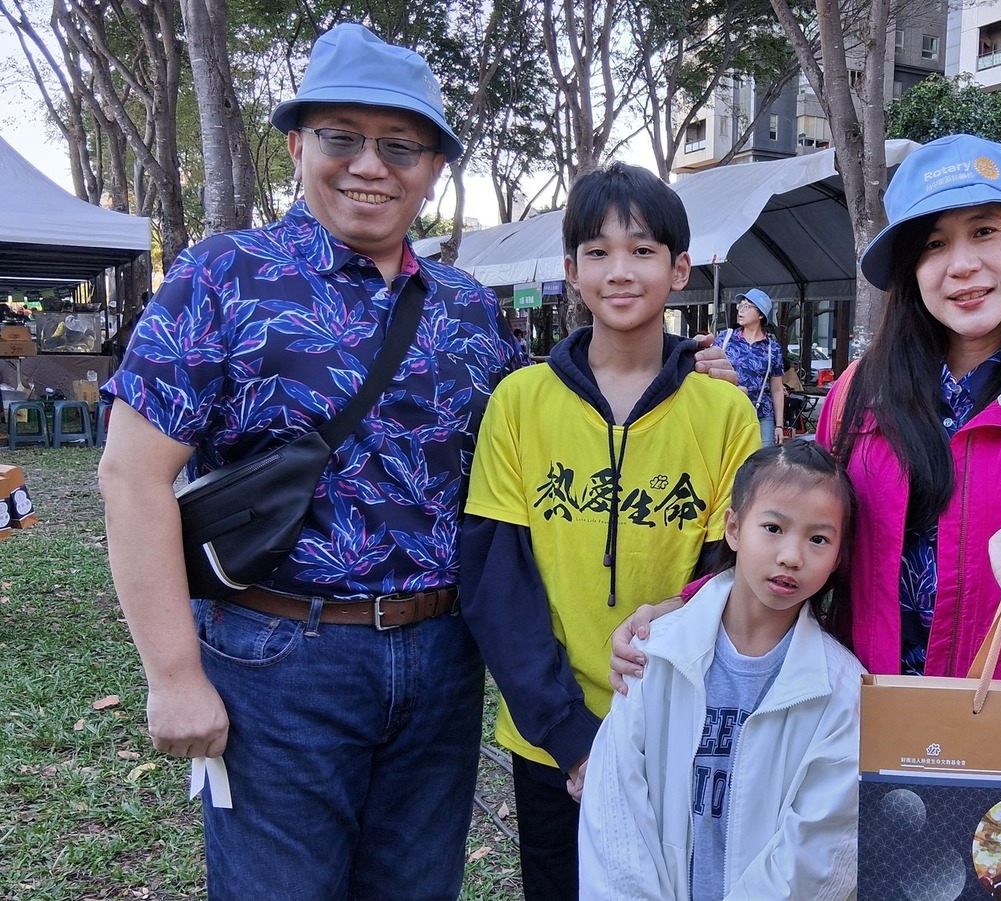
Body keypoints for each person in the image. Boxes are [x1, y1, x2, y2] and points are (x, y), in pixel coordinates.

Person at [97, 24, 524, 899]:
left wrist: (678, 371)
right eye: (342, 137)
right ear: (297, 146)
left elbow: (542, 435)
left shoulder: (468, 307)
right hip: (280, 657)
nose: (370, 165)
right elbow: (131, 473)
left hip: (443, 657)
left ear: (433, 168)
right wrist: (173, 676)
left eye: (400, 146)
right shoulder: (223, 276)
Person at [612, 133, 1001, 688]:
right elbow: (805, 534)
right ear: (910, 270)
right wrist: (687, 605)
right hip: (857, 709)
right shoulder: (858, 396)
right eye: (934, 244)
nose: (962, 265)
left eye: (985, 231)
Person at [458, 161, 761, 901]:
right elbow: (498, 580)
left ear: (680, 268)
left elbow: (734, 575)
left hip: (679, 731)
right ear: (571, 271)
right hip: (548, 735)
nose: (619, 270)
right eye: (597, 251)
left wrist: (673, 627)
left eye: (642, 250)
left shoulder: (725, 412)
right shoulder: (519, 402)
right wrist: (570, 738)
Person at [578, 441, 862, 900]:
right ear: (733, 528)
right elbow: (616, 815)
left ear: (838, 556)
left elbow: (818, 853)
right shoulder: (656, 654)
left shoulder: (843, 689)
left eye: (818, 539)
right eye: (773, 528)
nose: (791, 556)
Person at [717, 288, 786, 446]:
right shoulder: (725, 339)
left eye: (747, 306)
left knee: (763, 458)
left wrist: (779, 425)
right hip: (728, 411)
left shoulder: (772, 348)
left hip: (761, 413)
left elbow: (777, 389)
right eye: (740, 306)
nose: (741, 310)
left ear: (761, 315)